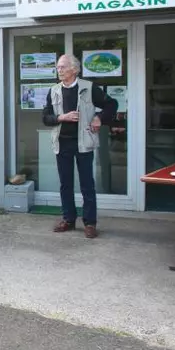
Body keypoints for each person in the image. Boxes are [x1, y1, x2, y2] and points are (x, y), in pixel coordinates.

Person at [42, 53, 117, 238]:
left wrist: (99, 118)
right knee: (65, 184)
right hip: (62, 143)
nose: (59, 70)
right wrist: (62, 117)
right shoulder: (53, 91)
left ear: (74, 69)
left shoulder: (89, 88)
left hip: (84, 142)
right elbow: (46, 118)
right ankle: (68, 219)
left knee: (87, 185)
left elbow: (112, 105)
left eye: (63, 67)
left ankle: (90, 223)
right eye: (58, 67)